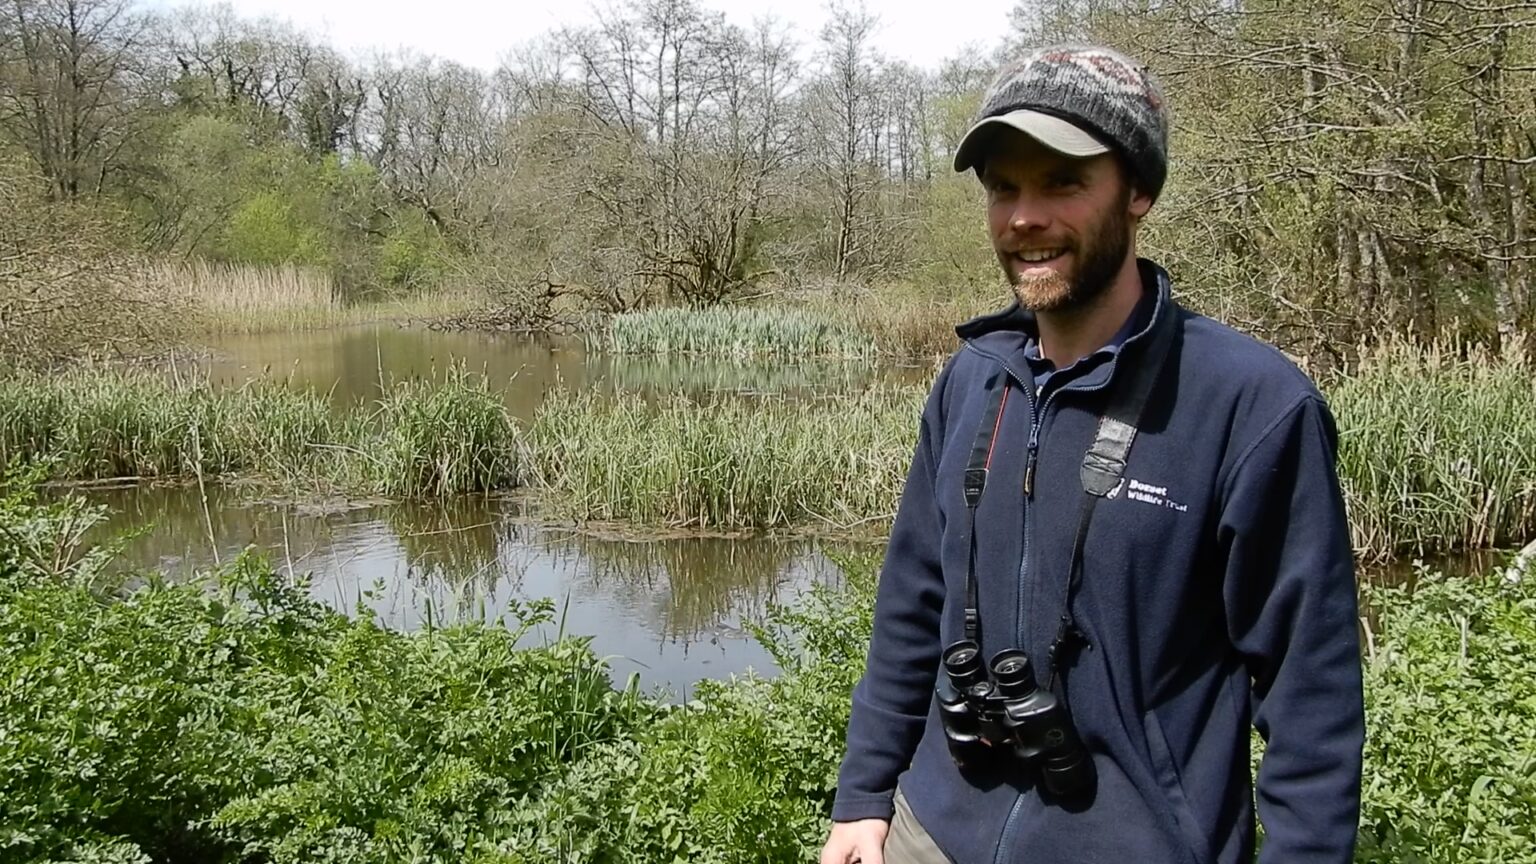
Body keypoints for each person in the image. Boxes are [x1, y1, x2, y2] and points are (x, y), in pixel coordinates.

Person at [820, 44, 1364, 864]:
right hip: (927, 833)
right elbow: (910, 609)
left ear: (1139, 192)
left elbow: (1311, 695)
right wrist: (864, 799)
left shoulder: (1249, 403)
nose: (1023, 217)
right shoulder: (972, 381)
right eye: (1004, 187)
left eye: (1062, 182)